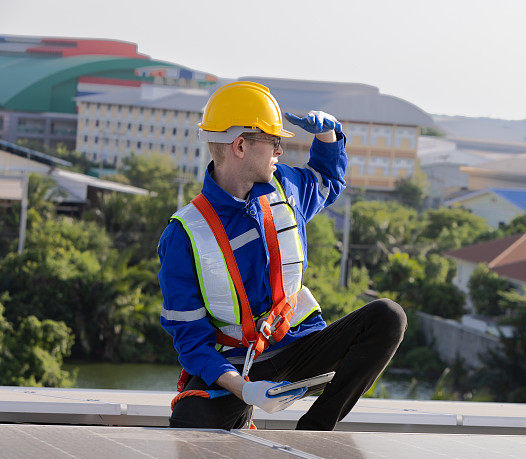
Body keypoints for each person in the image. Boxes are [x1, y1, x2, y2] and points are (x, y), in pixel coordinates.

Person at [158, 81, 406, 430]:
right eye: (274, 142)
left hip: (301, 345)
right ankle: (243, 410)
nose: (280, 151)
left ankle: (315, 430)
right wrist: (246, 391)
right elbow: (192, 341)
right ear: (241, 145)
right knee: (189, 421)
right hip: (238, 366)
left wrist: (329, 138)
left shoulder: (285, 188)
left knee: (387, 317)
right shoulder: (183, 235)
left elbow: (326, 180)